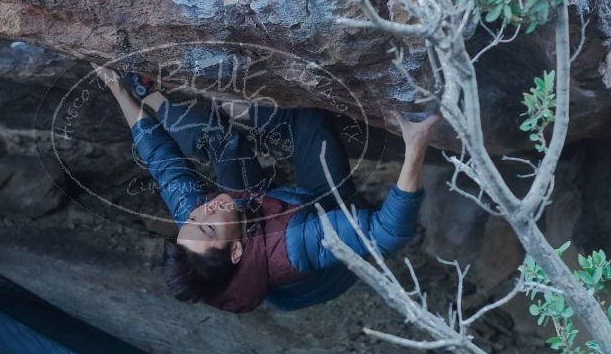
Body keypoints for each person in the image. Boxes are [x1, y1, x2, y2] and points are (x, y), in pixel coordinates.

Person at [94, 64, 440, 313]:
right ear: (234, 253)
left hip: (257, 217)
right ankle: (255, 116)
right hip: (319, 232)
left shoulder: (199, 227)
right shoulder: (301, 242)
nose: (204, 207)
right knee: (310, 119)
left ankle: (150, 93)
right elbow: (388, 234)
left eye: (193, 218)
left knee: (222, 141)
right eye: (208, 223)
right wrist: (415, 147)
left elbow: (162, 161)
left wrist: (116, 86)